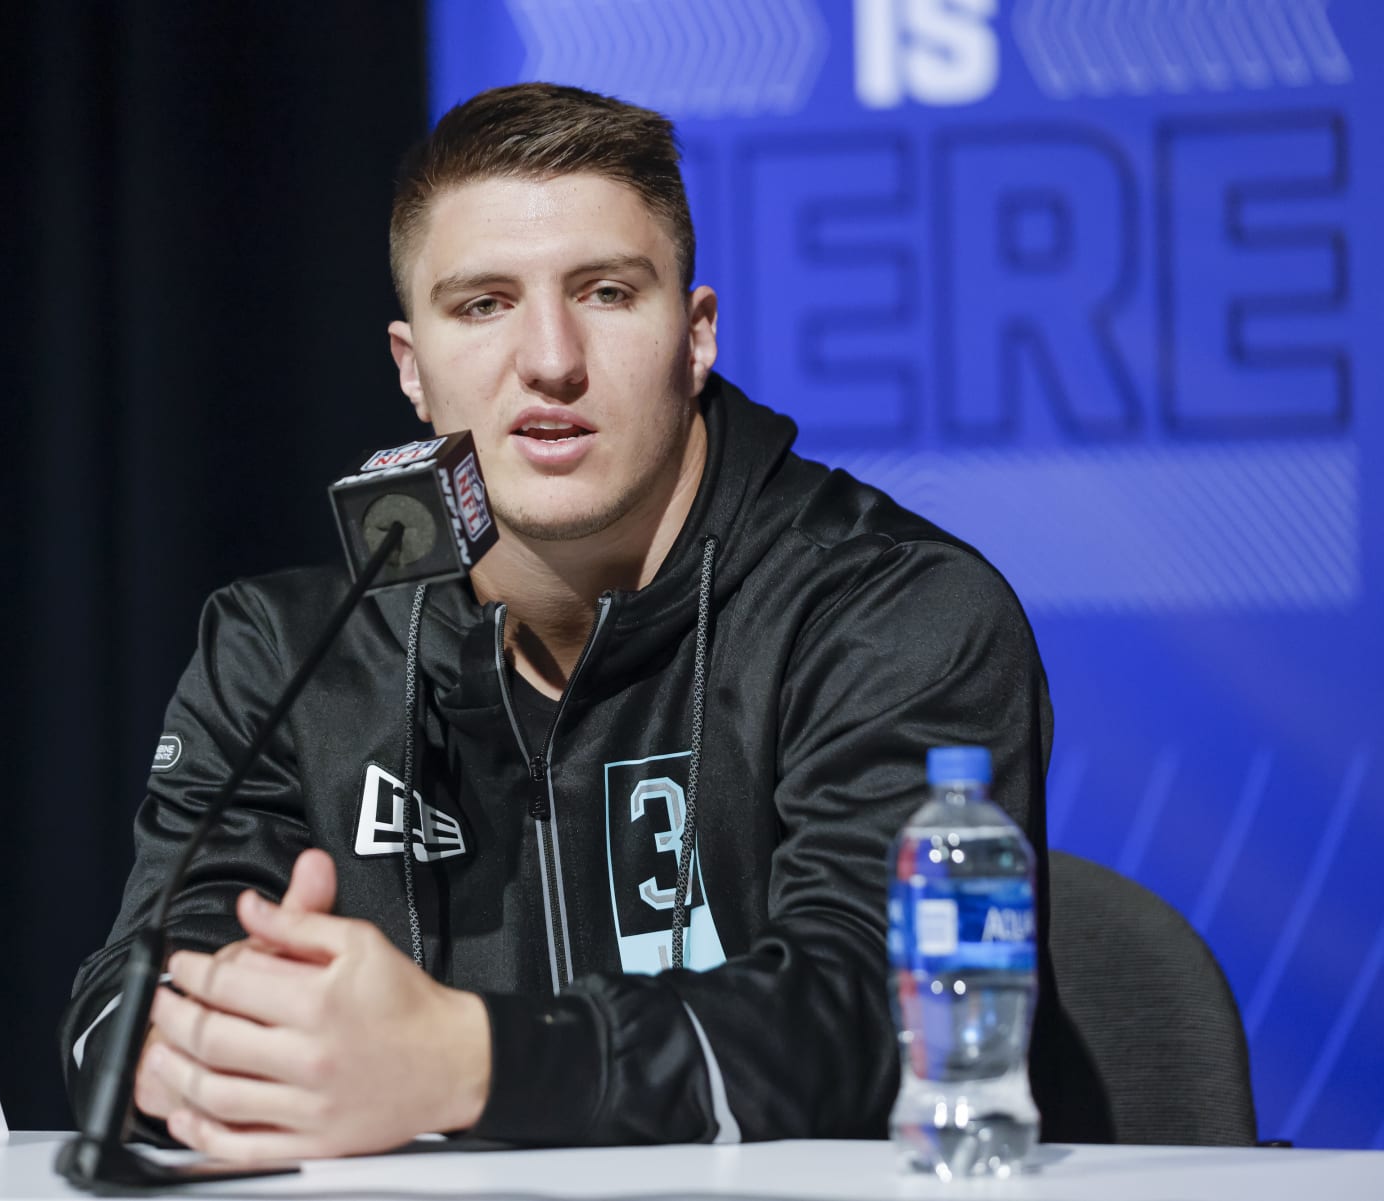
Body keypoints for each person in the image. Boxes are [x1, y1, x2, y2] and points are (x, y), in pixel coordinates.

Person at [61, 82, 1072, 1161]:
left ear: (696, 336)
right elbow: (119, 998)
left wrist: (467, 1062)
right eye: (483, 304)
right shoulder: (290, 652)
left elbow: (873, 1019)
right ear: (412, 368)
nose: (550, 357)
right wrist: (192, 1046)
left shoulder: (890, 609)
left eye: (603, 291)